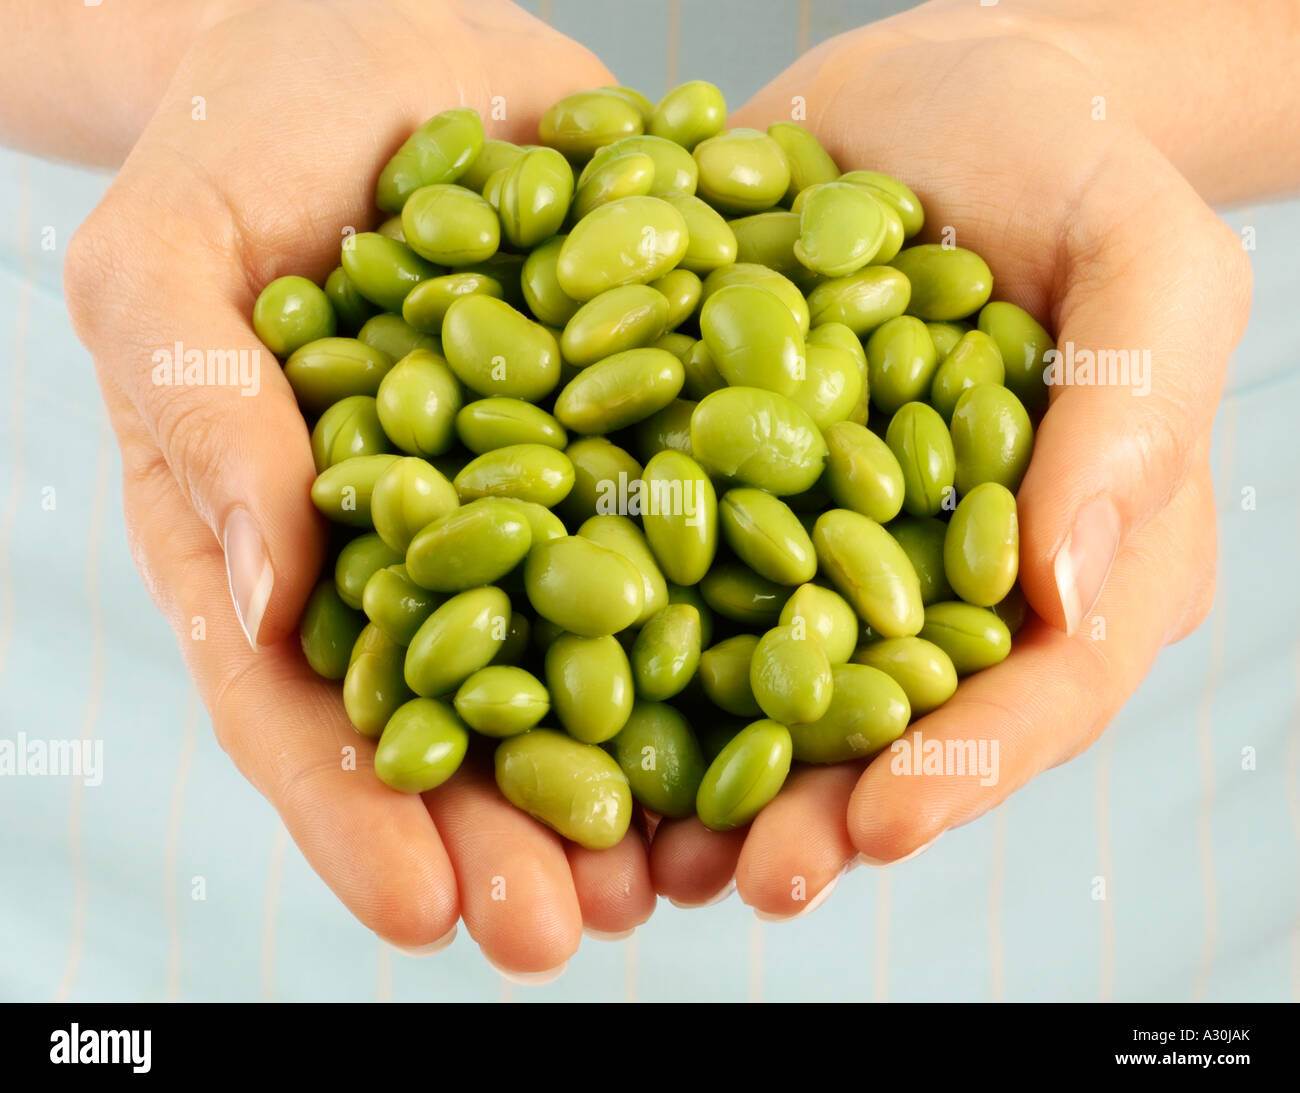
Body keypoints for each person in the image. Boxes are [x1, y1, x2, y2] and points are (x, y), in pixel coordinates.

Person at [3, 0, 1293, 982]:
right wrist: (239, 36)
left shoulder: (875, 387)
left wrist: (1094, 87)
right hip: (183, 366)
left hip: (1129, 301)